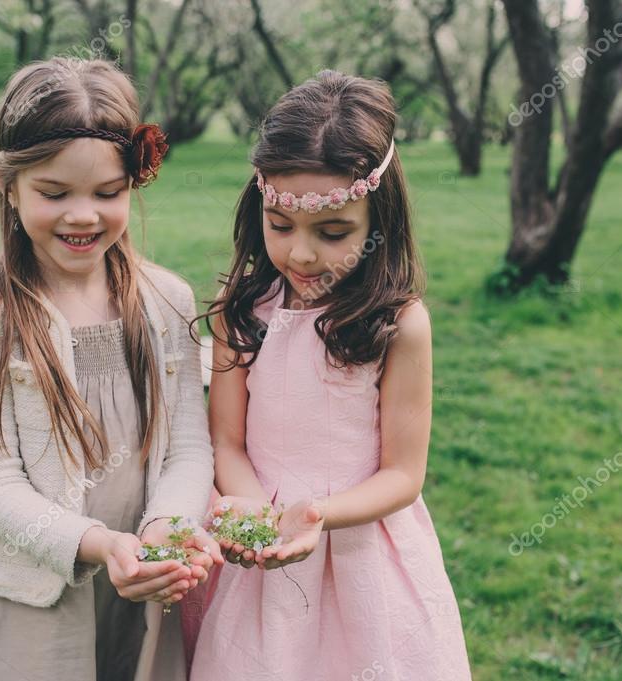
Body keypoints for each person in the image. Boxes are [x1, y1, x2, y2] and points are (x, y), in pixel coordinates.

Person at [0, 57, 221, 681]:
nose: (83, 215)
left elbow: (188, 448)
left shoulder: (165, 299)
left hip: (145, 578)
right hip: (29, 589)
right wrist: (98, 544)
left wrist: (164, 534)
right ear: (9, 186)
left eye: (107, 193)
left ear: (132, 186)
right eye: (55, 193)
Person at [186, 71, 472, 680]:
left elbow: (402, 474)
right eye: (280, 225)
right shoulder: (243, 307)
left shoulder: (399, 325)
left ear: (379, 220)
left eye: (334, 232)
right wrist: (251, 512)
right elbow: (227, 442)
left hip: (363, 552)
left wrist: (316, 515)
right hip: (261, 547)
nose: (302, 254)